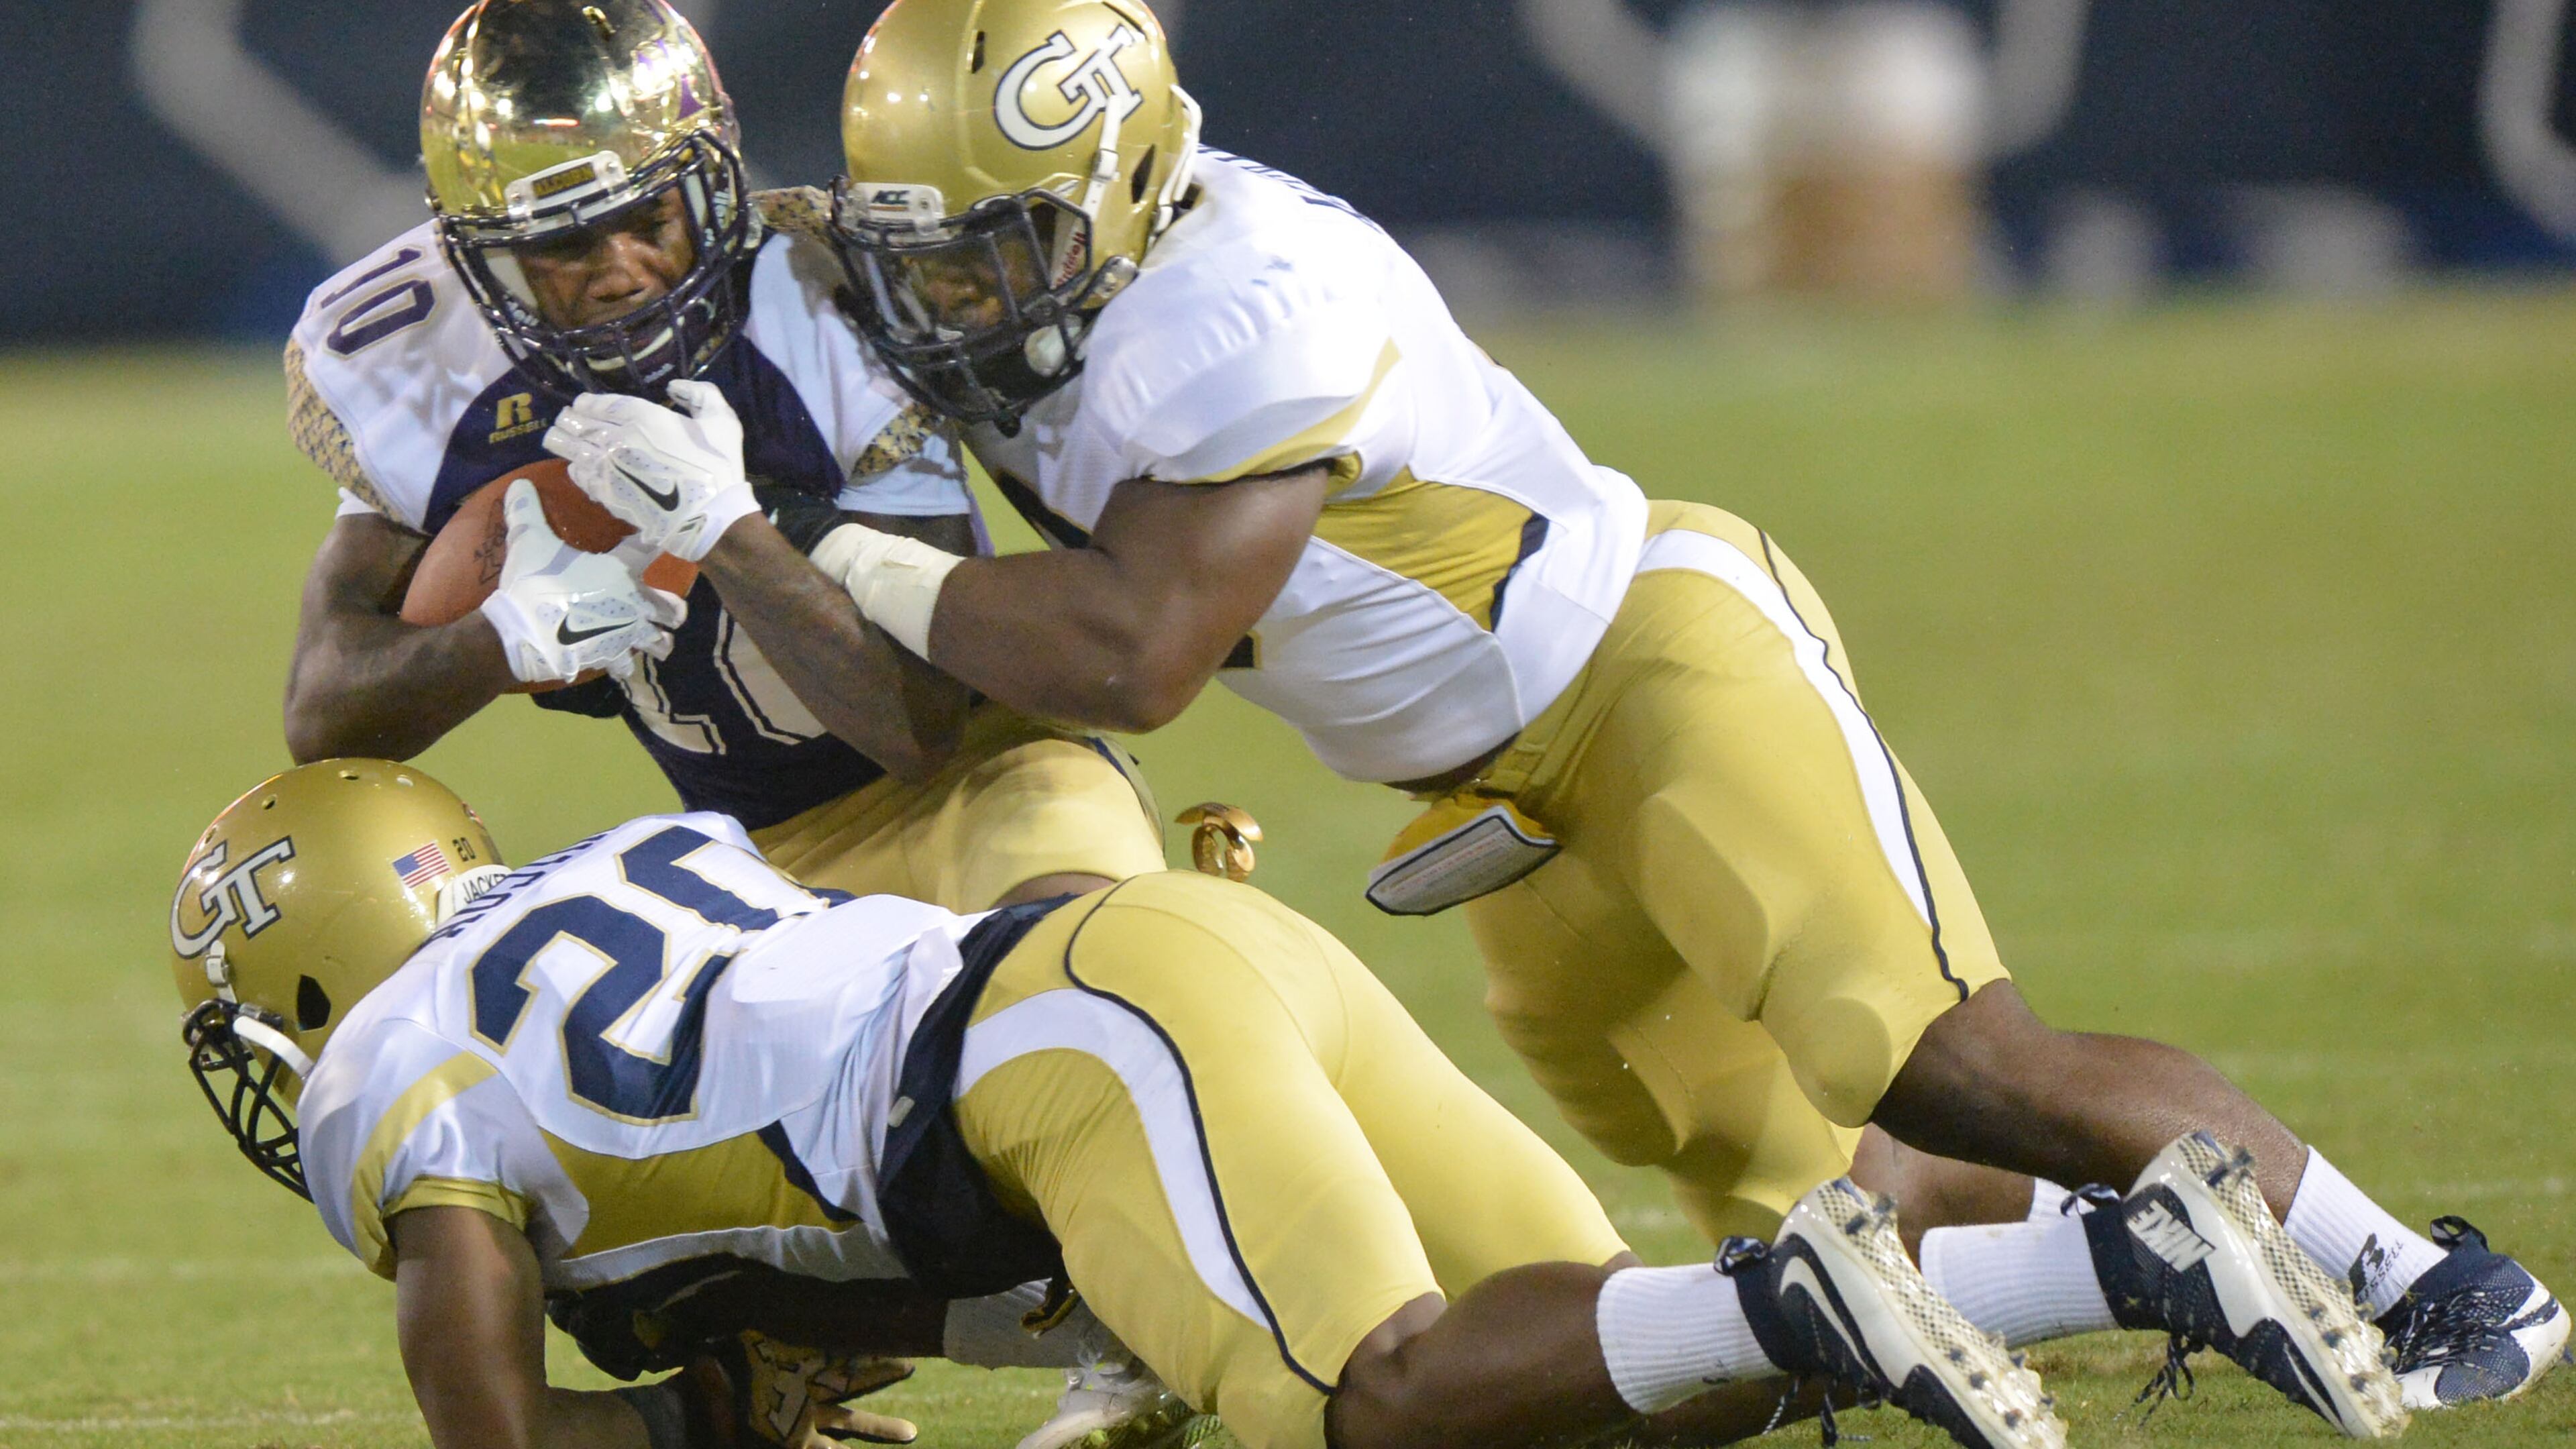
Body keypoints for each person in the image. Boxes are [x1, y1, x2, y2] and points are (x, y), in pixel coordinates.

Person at [553, 0, 2561, 1428]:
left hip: (1651, 680)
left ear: (1131, 187)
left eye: (1004, 247)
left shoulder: (1241, 311)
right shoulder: (1000, 243)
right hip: (1487, 809)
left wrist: (786, 539)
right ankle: (2131, 1264)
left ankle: (2433, 1270)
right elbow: (788, 241)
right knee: (1796, 1252)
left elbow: (1131, 656)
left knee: (1951, 1059)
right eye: (934, 250)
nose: (964, 296)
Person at [168, 759, 2073, 1449]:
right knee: (1595, 1394)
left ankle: (1813, 1285)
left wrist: (683, 1424)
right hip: (1161, 958)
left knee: (1373, 1404)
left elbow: (492, 1441)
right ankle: (2117, 1257)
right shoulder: (632, 862)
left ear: (314, 973)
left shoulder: (390, 1081)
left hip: (1067, 1055)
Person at [279, 0, 1167, 925]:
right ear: (482, 260)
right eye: (564, 245)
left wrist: (726, 531)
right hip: (743, 859)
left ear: (709, 186)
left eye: (648, 219)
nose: (622, 271)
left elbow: (925, 724)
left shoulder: (819, 305)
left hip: (989, 790)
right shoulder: (427, 363)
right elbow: (323, 714)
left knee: (1073, 957)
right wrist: (501, 637)